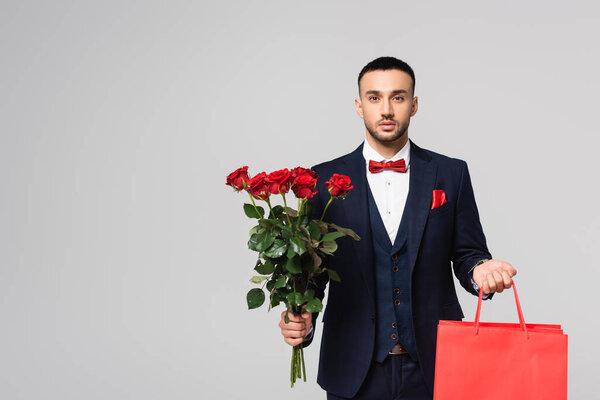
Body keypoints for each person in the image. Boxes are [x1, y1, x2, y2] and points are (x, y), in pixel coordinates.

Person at [278, 56, 517, 400]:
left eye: (398, 97)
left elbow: (468, 254)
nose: (386, 109)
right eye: (374, 98)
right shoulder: (322, 180)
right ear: (359, 106)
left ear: (414, 104)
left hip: (435, 365)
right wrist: (301, 317)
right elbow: (311, 274)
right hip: (352, 366)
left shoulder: (451, 174)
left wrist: (481, 269)